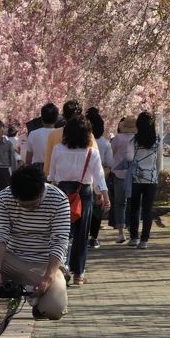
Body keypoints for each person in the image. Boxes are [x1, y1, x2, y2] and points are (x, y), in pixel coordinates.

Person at [0, 164, 70, 338]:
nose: (29, 209)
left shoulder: (59, 200)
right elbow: (0, 235)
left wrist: (48, 277)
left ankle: (40, 301)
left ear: (42, 190)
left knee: (54, 310)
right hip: (10, 258)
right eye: (23, 205)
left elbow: (60, 241)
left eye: (33, 205)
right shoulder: (5, 197)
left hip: (44, 264)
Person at [48, 115, 110, 285]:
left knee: (62, 233)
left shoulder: (58, 149)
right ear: (87, 134)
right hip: (84, 193)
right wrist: (105, 197)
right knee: (82, 234)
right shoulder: (92, 152)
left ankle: (62, 267)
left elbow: (52, 176)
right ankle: (79, 274)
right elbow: (99, 178)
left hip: (61, 193)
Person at [126, 111, 161, 249]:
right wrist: (155, 174)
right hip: (151, 179)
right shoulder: (157, 141)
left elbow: (129, 158)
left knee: (134, 208)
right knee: (148, 210)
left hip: (136, 178)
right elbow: (158, 162)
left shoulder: (133, 141)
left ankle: (134, 237)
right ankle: (144, 240)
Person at [43, 99, 98, 176]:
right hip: (83, 180)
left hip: (59, 180)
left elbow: (48, 164)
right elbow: (95, 160)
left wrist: (48, 175)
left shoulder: (54, 134)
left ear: (64, 116)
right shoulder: (88, 135)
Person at [86, 107, 113, 249]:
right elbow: (110, 163)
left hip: (84, 177)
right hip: (100, 177)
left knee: (85, 208)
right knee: (97, 209)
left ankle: (82, 234)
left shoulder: (82, 141)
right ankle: (93, 237)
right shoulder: (105, 143)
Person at [108, 116, 137, 243]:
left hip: (119, 173)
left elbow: (110, 154)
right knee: (133, 204)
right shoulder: (137, 139)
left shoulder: (117, 138)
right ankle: (133, 232)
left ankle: (121, 233)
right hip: (134, 174)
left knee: (120, 203)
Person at [25, 102, 59, 172]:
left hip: (37, 171)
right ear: (56, 118)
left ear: (42, 118)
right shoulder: (60, 134)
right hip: (55, 169)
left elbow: (28, 160)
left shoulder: (33, 134)